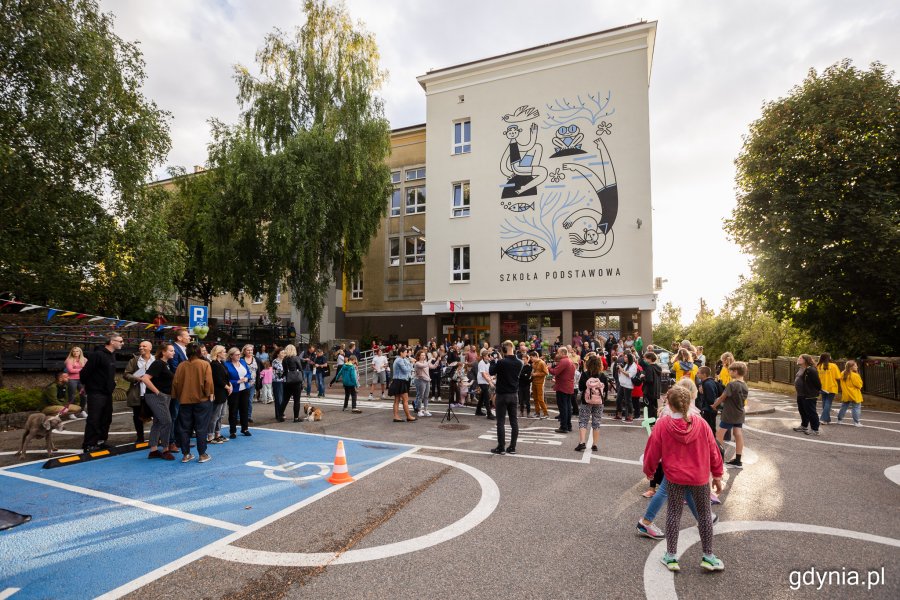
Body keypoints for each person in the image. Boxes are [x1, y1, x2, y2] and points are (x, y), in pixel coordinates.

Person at [642, 385, 725, 572]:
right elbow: (713, 450)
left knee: (674, 514)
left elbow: (652, 449)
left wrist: (650, 470)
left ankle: (671, 556)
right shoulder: (701, 423)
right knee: (704, 515)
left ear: (669, 406)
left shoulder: (663, 425)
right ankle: (708, 556)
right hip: (700, 477)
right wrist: (718, 475)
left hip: (674, 477)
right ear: (689, 403)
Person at [79, 332, 123, 453]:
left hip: (107, 392)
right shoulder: (97, 355)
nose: (122, 343)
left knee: (106, 418)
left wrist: (112, 384)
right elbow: (84, 373)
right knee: (94, 418)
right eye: (120, 341)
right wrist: (88, 385)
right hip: (96, 392)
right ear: (112, 341)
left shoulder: (112, 356)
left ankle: (101, 441)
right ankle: (88, 444)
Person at [173, 343, 214, 463]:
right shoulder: (204, 364)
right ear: (199, 353)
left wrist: (178, 396)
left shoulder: (181, 365)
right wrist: (209, 394)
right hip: (201, 400)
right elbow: (209, 382)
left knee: (185, 428)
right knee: (201, 428)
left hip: (184, 400)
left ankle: (186, 454)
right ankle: (202, 454)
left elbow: (175, 383)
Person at [712, 361, 749, 468]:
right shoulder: (744, 385)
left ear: (736, 371)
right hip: (740, 413)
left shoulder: (732, 384)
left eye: (730, 371)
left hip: (729, 414)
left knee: (719, 434)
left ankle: (719, 458)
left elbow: (723, 397)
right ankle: (738, 460)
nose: (729, 373)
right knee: (738, 434)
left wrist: (714, 405)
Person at [143, 343, 176, 460]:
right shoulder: (158, 363)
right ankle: (166, 449)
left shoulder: (166, 364)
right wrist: (158, 392)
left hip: (165, 396)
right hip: (156, 397)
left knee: (158, 422)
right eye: (171, 350)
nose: (173, 352)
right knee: (167, 421)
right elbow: (145, 378)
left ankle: (153, 450)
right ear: (163, 352)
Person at [489, 340, 522, 455]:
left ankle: (501, 447)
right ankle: (512, 447)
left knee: (501, 422)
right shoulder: (520, 362)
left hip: (502, 395)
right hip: (513, 395)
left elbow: (492, 372)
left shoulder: (502, 362)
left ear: (503, 350)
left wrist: (493, 361)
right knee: (514, 422)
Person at [123, 340, 154, 443]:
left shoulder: (156, 360)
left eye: (144, 346)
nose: (141, 348)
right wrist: (137, 378)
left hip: (153, 393)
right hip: (138, 393)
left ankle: (156, 436)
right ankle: (140, 437)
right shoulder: (134, 361)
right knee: (137, 417)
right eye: (140, 346)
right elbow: (126, 374)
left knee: (157, 415)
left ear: (150, 348)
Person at [575, 354, 604, 452]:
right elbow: (606, 389)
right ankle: (595, 444)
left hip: (586, 401)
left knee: (583, 420)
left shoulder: (585, 374)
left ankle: (582, 442)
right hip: (599, 402)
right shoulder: (602, 375)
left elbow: (581, 388)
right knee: (596, 422)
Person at [168, 328, 190, 450]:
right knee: (174, 414)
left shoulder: (184, 349)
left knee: (181, 414)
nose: (189, 338)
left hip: (184, 386)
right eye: (187, 336)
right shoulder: (174, 349)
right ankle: (171, 441)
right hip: (177, 386)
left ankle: (180, 440)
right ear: (179, 338)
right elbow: (175, 368)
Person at [225, 347, 252, 436]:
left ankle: (245, 429)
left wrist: (247, 378)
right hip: (234, 390)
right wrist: (237, 381)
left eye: (239, 354)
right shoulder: (227, 364)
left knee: (244, 409)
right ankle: (232, 431)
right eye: (236, 355)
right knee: (233, 410)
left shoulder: (243, 362)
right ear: (231, 356)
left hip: (245, 389)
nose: (239, 356)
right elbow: (226, 379)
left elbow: (248, 372)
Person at [793, 354, 822, 435]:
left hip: (809, 395)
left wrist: (813, 391)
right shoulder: (801, 369)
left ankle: (815, 430)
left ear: (806, 360)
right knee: (802, 411)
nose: (798, 359)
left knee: (811, 412)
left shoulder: (811, 370)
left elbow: (818, 383)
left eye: (800, 358)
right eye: (798, 357)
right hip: (801, 394)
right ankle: (804, 426)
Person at [208, 345, 231, 443]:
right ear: (218, 353)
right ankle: (210, 436)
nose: (225, 353)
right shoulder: (214, 364)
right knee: (215, 415)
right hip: (218, 391)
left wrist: (229, 386)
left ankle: (217, 433)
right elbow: (217, 379)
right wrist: (227, 387)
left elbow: (226, 377)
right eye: (224, 351)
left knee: (221, 414)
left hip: (224, 391)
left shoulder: (222, 363)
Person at [549, 347, 575, 433]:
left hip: (562, 387)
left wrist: (548, 368)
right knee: (567, 407)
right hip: (568, 386)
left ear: (563, 353)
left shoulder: (564, 361)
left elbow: (555, 372)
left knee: (563, 407)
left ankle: (564, 427)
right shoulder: (570, 361)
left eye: (558, 352)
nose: (557, 354)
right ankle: (568, 425)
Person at [837, 360, 864, 426]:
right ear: (851, 367)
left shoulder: (842, 373)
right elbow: (859, 385)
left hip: (846, 394)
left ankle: (839, 420)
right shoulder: (855, 375)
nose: (857, 367)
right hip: (854, 394)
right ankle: (856, 422)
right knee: (856, 407)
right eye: (855, 365)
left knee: (843, 407)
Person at [391, 347, 415, 422]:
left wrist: (410, 361)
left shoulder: (403, 359)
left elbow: (407, 366)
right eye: (405, 352)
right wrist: (412, 363)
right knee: (405, 399)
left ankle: (396, 416)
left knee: (397, 400)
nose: (406, 354)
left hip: (400, 381)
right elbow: (406, 370)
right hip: (400, 381)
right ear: (401, 353)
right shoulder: (399, 360)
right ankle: (408, 416)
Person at [280, 345, 302, 423]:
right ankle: (296, 418)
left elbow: (284, 371)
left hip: (287, 381)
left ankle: (280, 415)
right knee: (296, 400)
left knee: (285, 400)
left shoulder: (284, 360)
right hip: (296, 382)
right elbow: (300, 369)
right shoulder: (296, 358)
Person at [817, 353, 841, 425]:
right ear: (829, 357)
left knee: (824, 402)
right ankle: (823, 419)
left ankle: (826, 419)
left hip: (822, 387)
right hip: (831, 387)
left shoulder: (819, 366)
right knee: (828, 403)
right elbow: (838, 377)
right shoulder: (833, 366)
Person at [696, 366, 720, 434]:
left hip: (709, 409)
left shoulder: (707, 384)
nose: (697, 374)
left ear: (704, 374)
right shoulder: (708, 382)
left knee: (710, 427)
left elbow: (711, 398)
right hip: (709, 408)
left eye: (698, 373)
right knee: (709, 426)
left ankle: (712, 441)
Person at [614, 353, 637, 422]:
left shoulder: (633, 366)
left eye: (626, 357)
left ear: (629, 358)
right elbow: (623, 373)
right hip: (622, 384)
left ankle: (630, 416)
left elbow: (629, 375)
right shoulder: (626, 364)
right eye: (624, 357)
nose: (624, 358)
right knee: (618, 399)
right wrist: (619, 370)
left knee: (628, 401)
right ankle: (619, 415)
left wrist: (621, 369)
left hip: (628, 385)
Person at [241, 345, 260, 419]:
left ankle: (248, 416)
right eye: (248, 350)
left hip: (252, 384)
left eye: (251, 350)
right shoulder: (241, 359)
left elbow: (259, 370)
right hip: (243, 383)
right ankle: (239, 417)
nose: (250, 351)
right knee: (242, 400)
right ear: (244, 351)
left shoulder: (256, 359)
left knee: (249, 400)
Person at [413, 350, 434, 417]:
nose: (423, 356)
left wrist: (438, 360)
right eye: (422, 355)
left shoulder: (425, 362)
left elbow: (433, 367)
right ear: (418, 356)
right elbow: (424, 365)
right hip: (421, 380)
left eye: (424, 355)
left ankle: (425, 410)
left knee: (426, 396)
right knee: (420, 396)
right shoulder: (417, 363)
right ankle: (419, 410)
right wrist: (430, 359)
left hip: (427, 380)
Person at [530, 350, 550, 419]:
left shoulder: (542, 363)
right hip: (534, 382)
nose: (531, 359)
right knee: (535, 399)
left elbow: (546, 373)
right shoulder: (534, 363)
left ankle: (546, 413)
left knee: (540, 399)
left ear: (536, 356)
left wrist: (536, 374)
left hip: (540, 383)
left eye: (532, 358)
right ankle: (537, 412)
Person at [476, 350, 495, 419]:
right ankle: (489, 414)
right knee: (486, 397)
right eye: (487, 355)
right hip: (482, 381)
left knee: (482, 396)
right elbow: (483, 374)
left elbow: (487, 372)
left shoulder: (487, 362)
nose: (489, 356)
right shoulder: (481, 363)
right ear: (484, 356)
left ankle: (478, 411)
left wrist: (491, 379)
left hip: (485, 381)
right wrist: (490, 382)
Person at [517, 350, 532, 418]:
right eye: (522, 359)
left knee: (527, 400)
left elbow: (528, 377)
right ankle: (521, 412)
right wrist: (523, 375)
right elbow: (518, 375)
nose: (523, 360)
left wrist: (522, 375)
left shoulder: (529, 367)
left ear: (527, 360)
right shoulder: (520, 366)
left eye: (524, 359)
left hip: (526, 385)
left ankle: (528, 413)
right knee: (521, 400)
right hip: (520, 385)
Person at [270, 348, 285, 417]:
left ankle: (280, 413)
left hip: (284, 381)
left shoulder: (285, 360)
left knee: (282, 398)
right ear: (278, 354)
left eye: (284, 353)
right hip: (277, 381)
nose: (283, 354)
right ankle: (279, 414)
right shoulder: (275, 361)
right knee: (278, 398)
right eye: (282, 353)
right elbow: (279, 371)